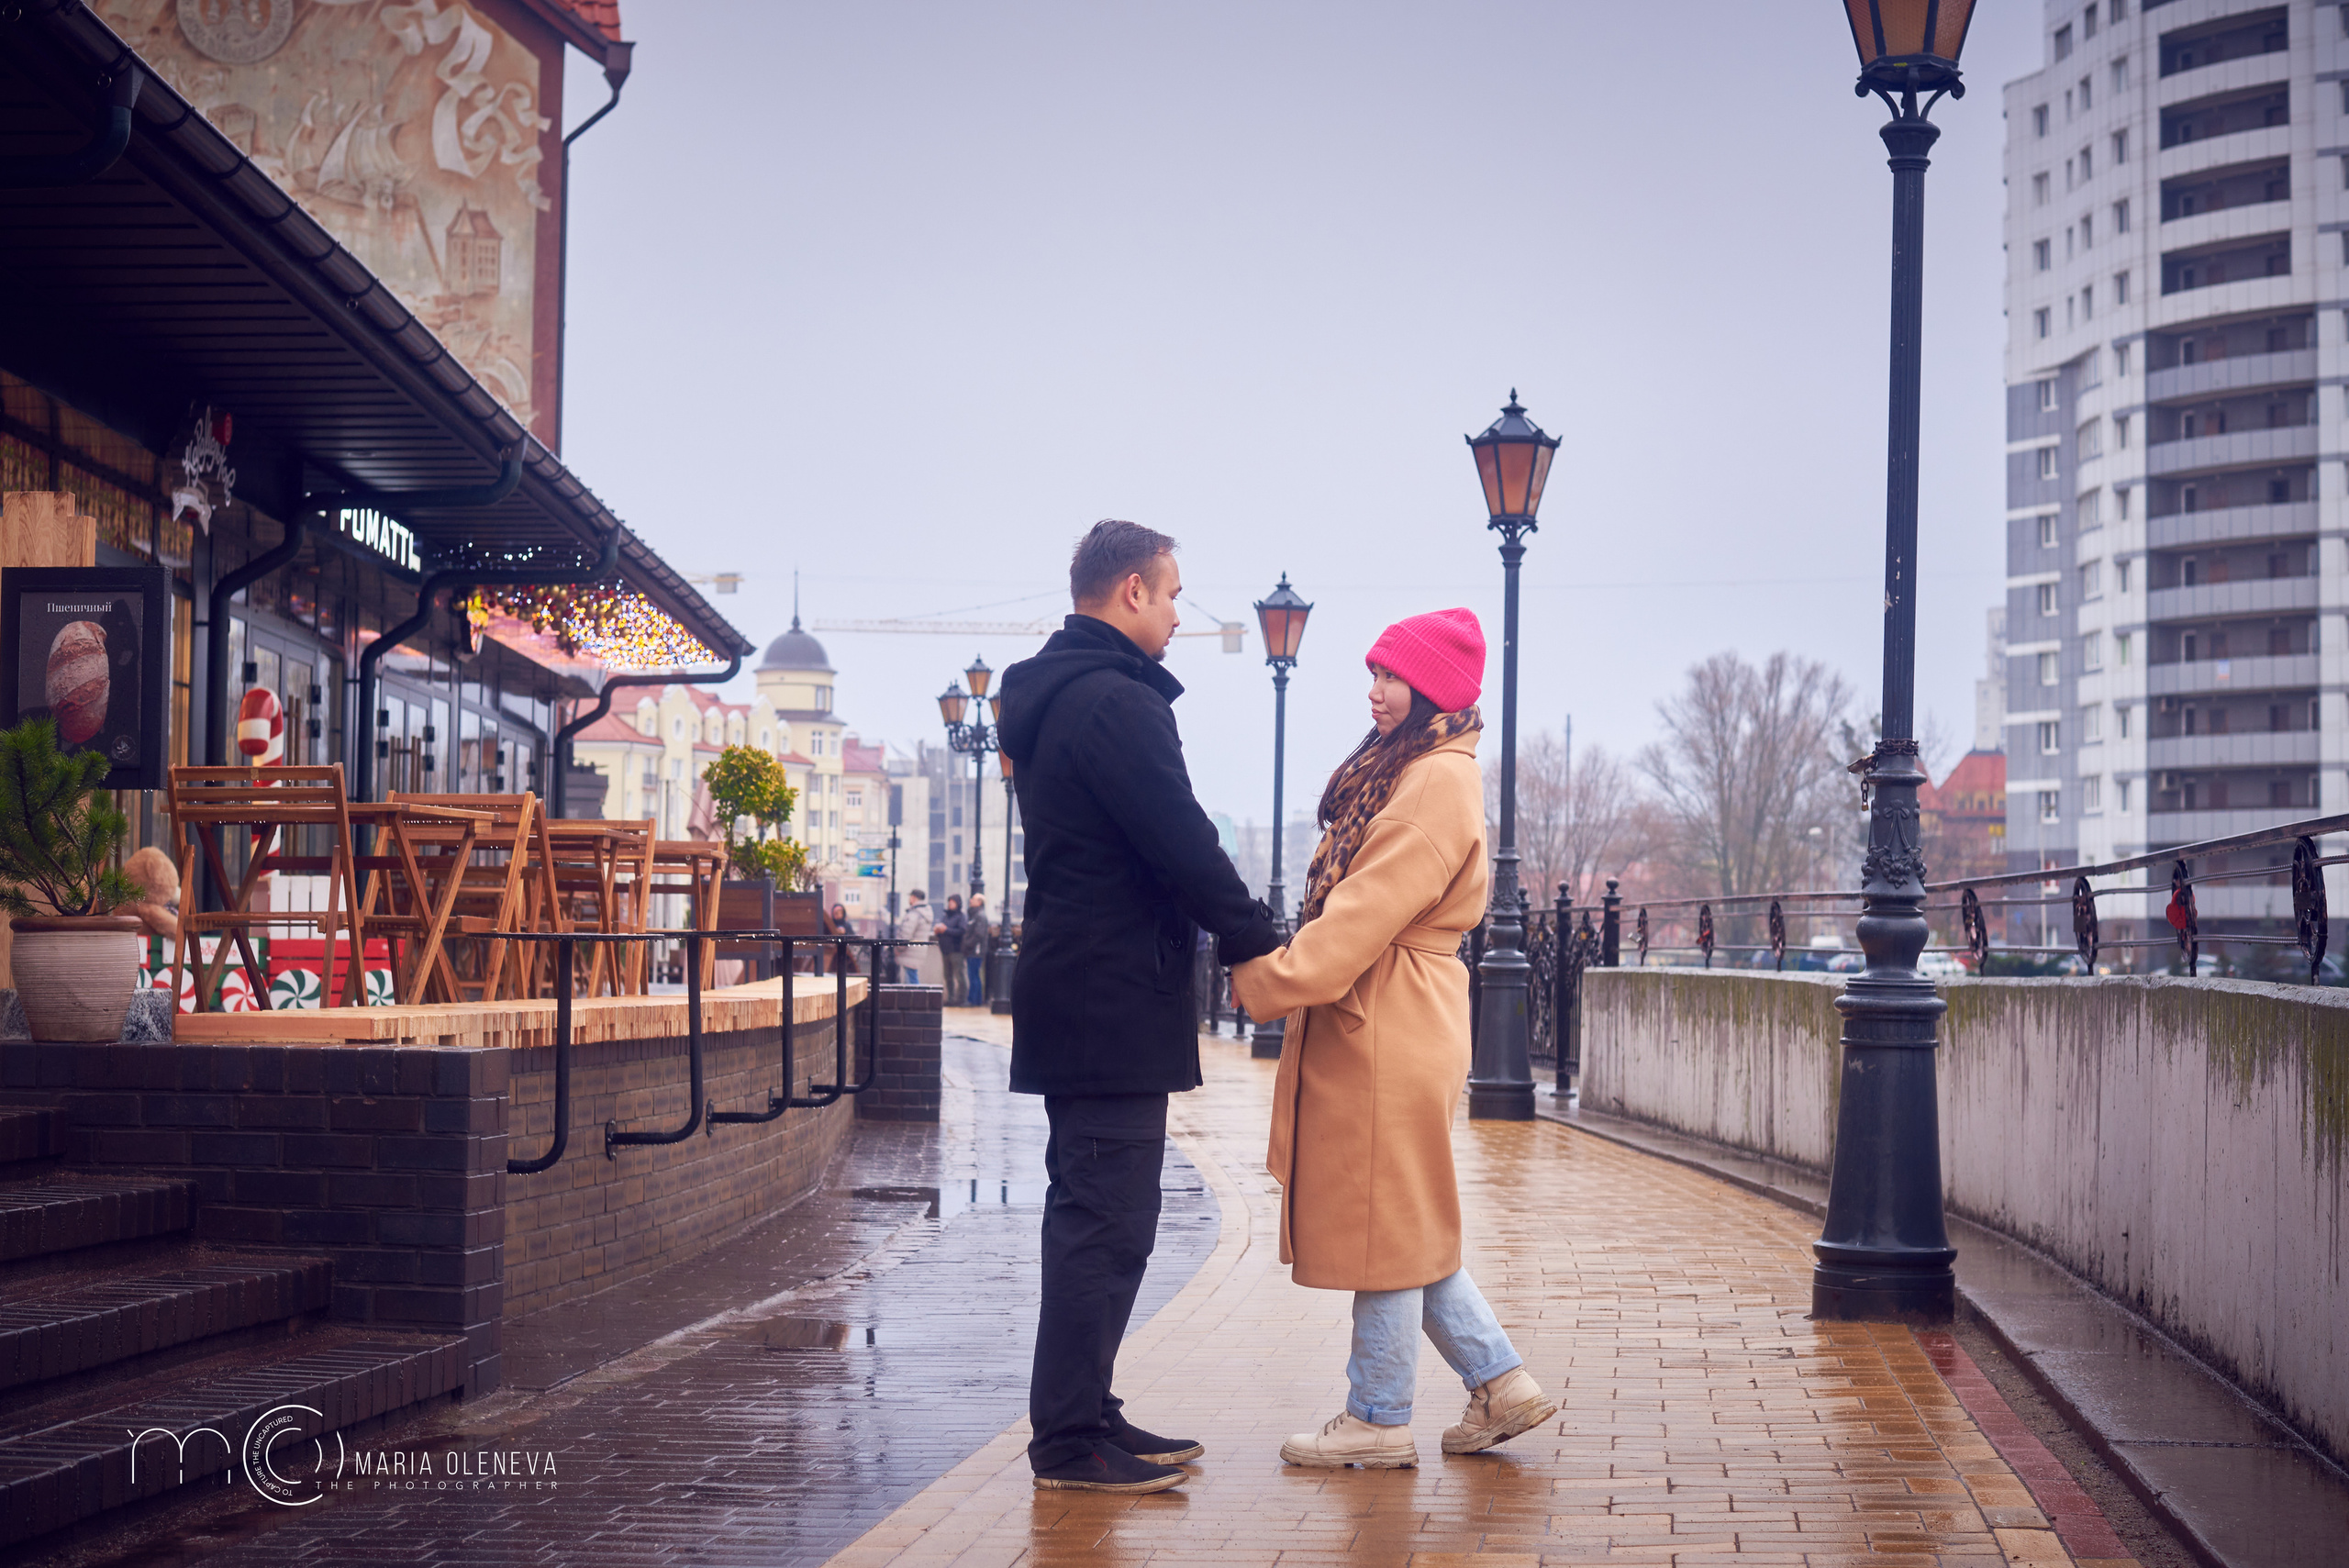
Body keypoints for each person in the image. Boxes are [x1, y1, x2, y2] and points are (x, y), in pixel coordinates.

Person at [1230, 608, 1557, 1470]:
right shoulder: (1426, 768)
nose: (1374, 692)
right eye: (1373, 675)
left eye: (1391, 677)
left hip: (1389, 1011)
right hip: (1398, 1008)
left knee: (1384, 1218)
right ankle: (1501, 1382)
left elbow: (1362, 913)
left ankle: (1377, 1417)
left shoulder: (1432, 781)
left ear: (1432, 689)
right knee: (1399, 1211)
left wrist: (1266, 980)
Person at [997, 519, 1281, 1495]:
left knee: (1104, 1214)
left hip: (1085, 989)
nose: (1176, 615)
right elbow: (1180, 837)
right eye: (1170, 596)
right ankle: (1068, 1439)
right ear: (1130, 591)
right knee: (1103, 1220)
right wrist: (1254, 940)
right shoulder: (1115, 700)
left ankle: (1087, 1407)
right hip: (1106, 997)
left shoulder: (1063, 694)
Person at [892, 889, 933, 985]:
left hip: (909, 952)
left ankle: (918, 996)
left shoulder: (914, 914)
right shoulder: (925, 913)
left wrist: (898, 948)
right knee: (912, 977)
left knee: (911, 981)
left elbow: (906, 934)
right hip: (918, 950)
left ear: (914, 898)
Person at [937, 894, 968, 1005]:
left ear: (958, 903)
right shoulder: (946, 916)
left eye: (953, 902)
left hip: (956, 950)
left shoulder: (961, 916)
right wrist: (938, 931)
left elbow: (962, 931)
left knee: (959, 975)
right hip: (945, 950)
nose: (950, 904)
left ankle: (961, 999)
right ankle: (950, 998)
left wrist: (946, 930)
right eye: (949, 902)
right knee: (948, 976)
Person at [963, 894, 993, 1006]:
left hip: (976, 950)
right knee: (974, 975)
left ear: (980, 902)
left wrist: (968, 943)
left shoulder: (979, 916)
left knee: (974, 976)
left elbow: (978, 934)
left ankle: (974, 1000)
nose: (971, 900)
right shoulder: (976, 915)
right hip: (974, 950)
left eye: (974, 899)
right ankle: (975, 1000)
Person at [827, 903, 862, 975]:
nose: (838, 915)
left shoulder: (847, 925)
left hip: (846, 952)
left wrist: (845, 933)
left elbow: (852, 936)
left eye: (840, 912)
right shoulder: (831, 924)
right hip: (831, 952)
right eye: (836, 913)